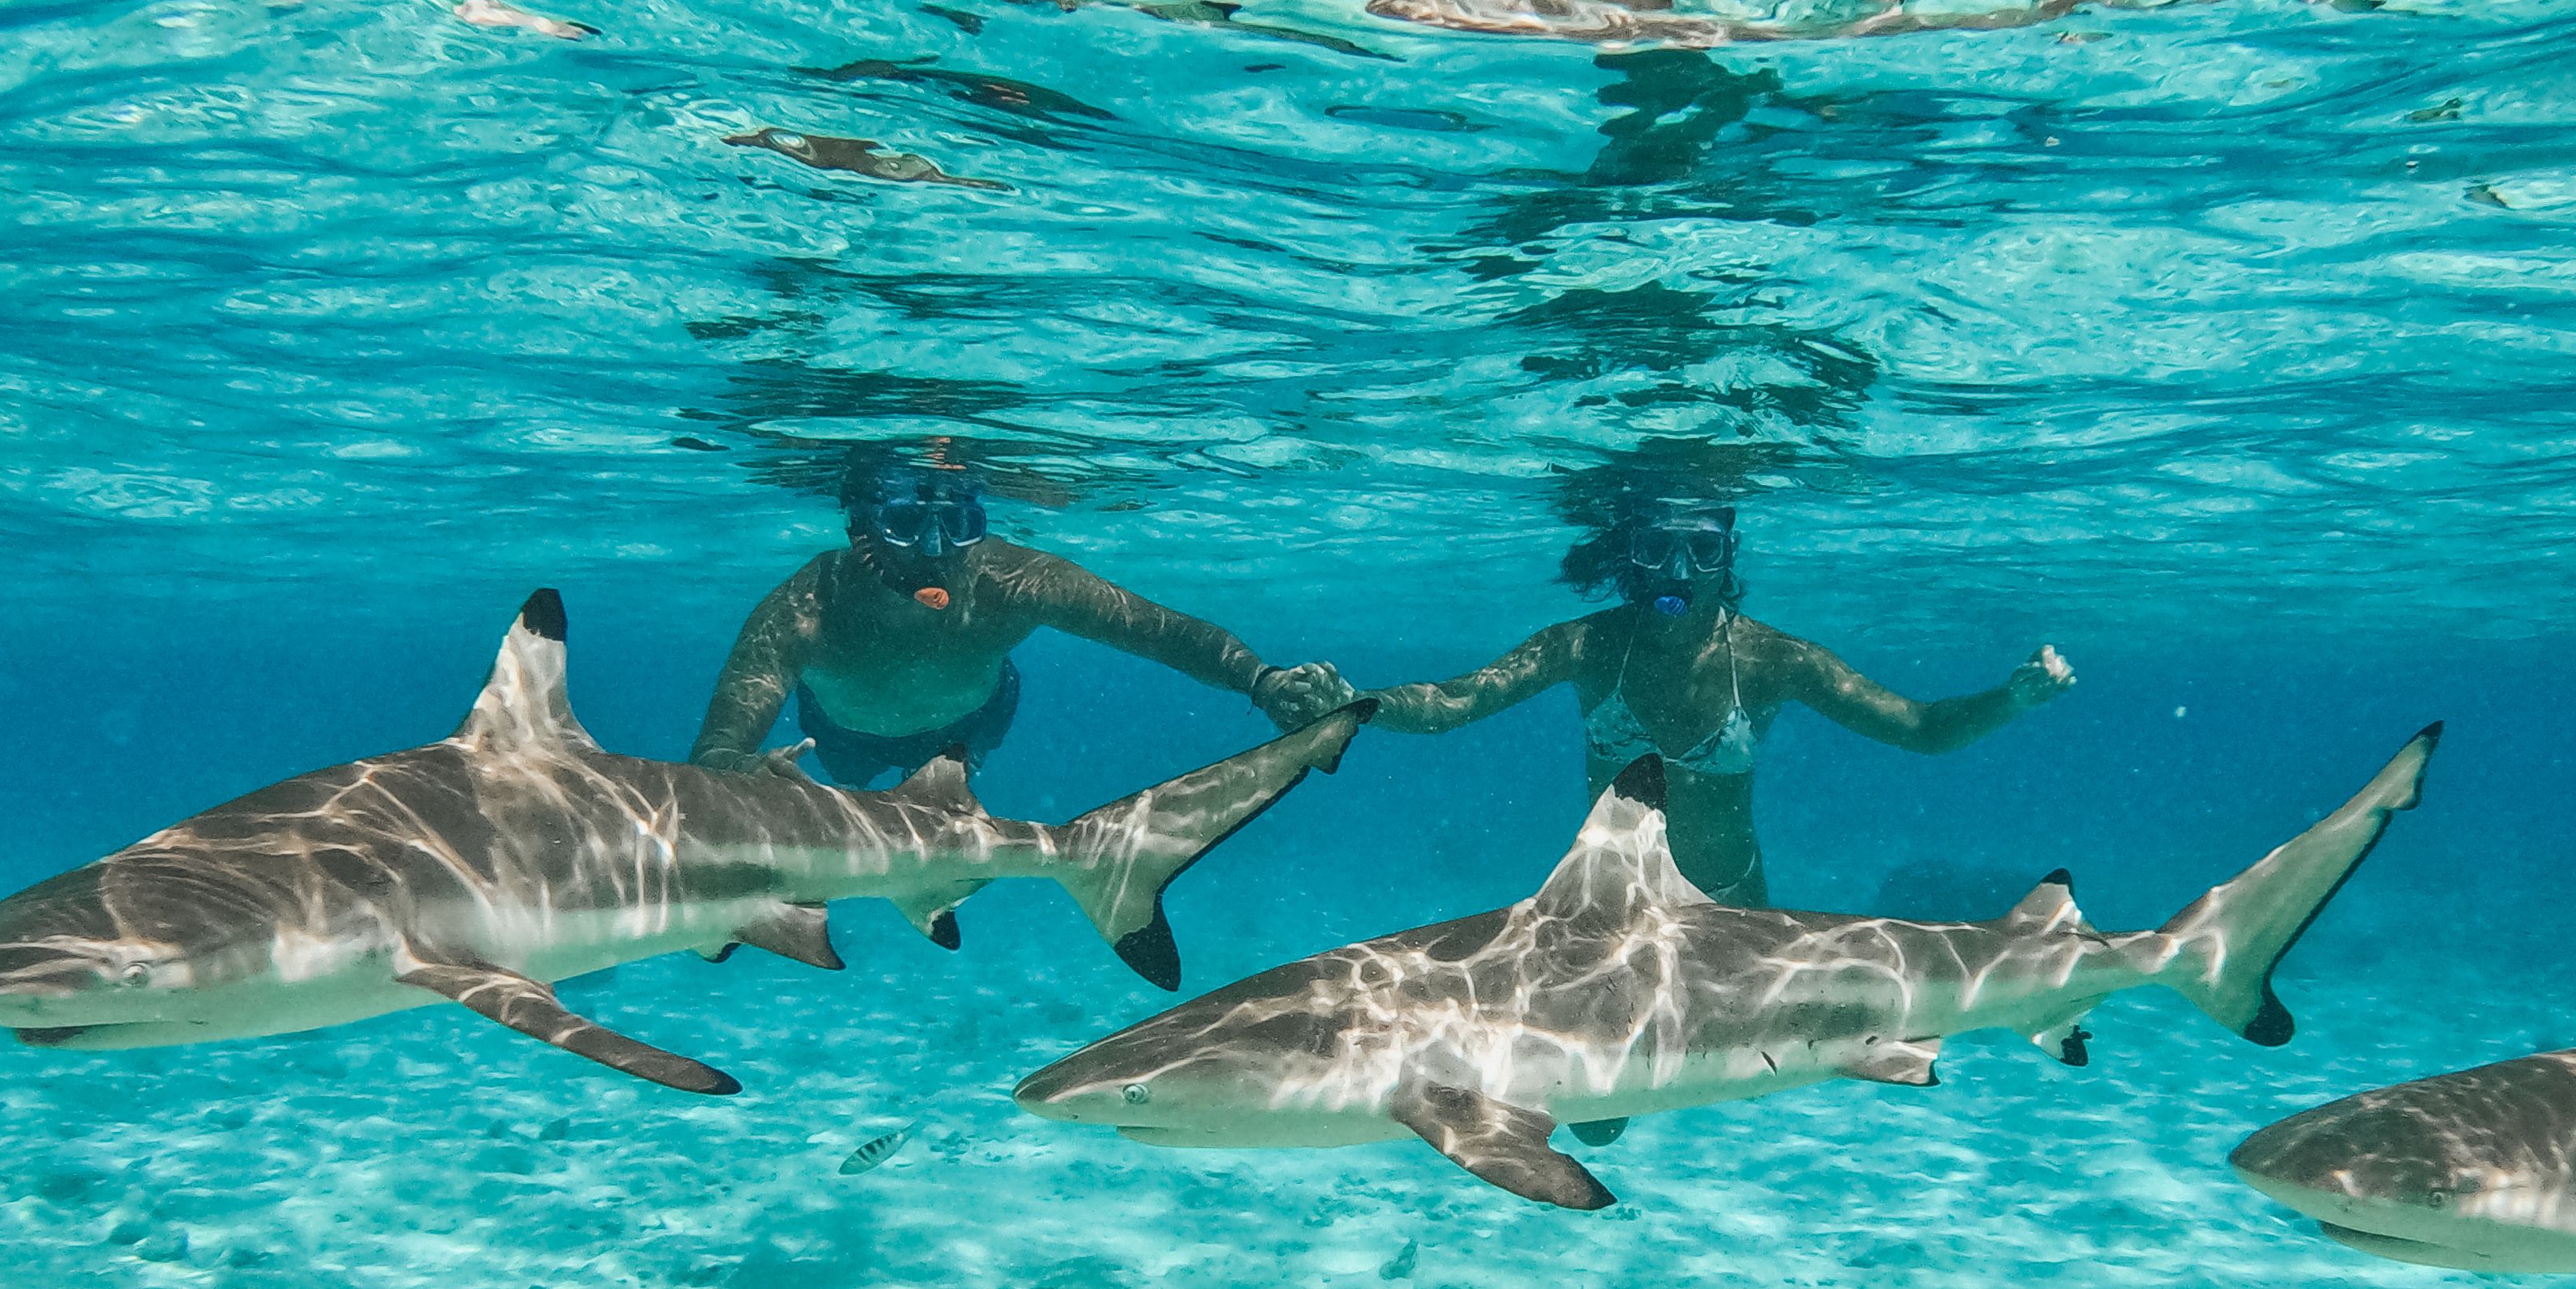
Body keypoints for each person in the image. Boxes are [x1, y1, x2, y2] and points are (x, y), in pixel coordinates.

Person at [1354, 495, 2073, 907]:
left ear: (1727, 556)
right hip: (1612, 905)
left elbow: (1921, 728)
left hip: (1731, 903)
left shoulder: (1772, 660)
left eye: (1700, 549)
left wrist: (2013, 697)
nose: (1678, 571)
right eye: (1658, 548)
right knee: (1598, 1122)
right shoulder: (1586, 646)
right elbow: (1455, 702)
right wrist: (1355, 705)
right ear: (1630, 555)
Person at [691, 447, 1350, 785]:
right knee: (858, 798)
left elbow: (1160, 631)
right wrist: (735, 769)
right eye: (901, 523)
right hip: (842, 737)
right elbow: (717, 747)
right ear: (859, 524)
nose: (933, 549)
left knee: (945, 816)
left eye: (958, 524)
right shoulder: (804, 607)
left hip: (974, 720)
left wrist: (1263, 681)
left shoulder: (1013, 581)